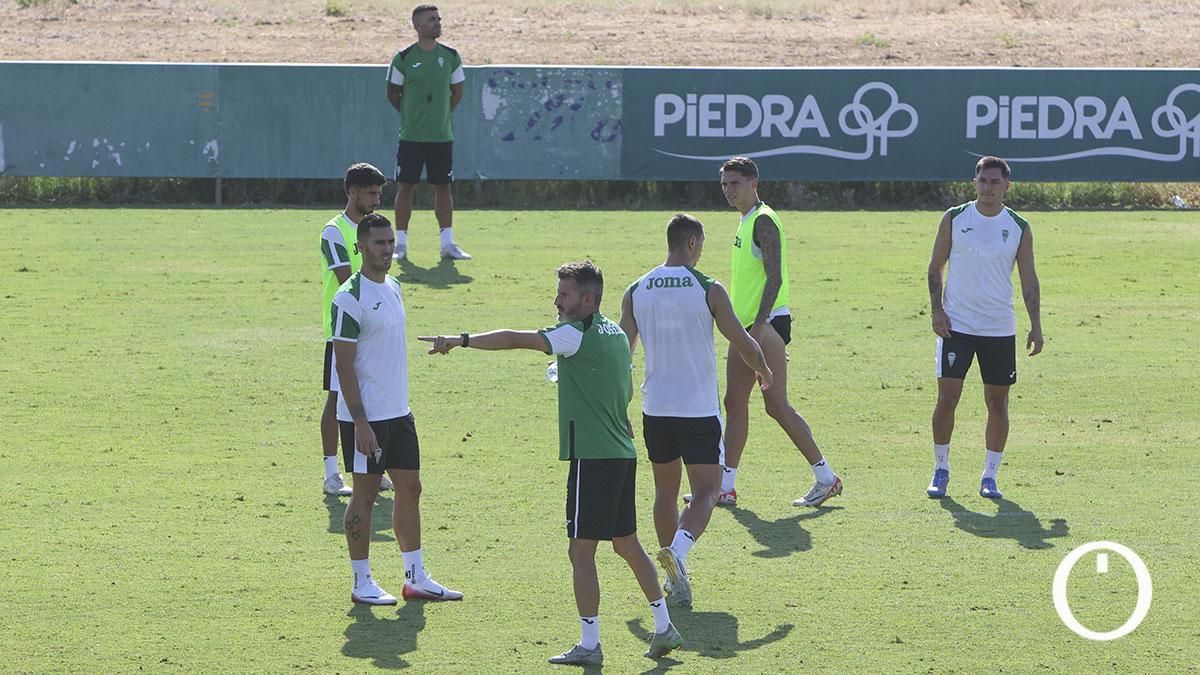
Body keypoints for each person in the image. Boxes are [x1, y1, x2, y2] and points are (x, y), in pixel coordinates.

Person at [419, 262, 683, 665]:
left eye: (564, 294)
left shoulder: (574, 335)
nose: (557, 301)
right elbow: (625, 389)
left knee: (581, 551)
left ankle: (590, 645)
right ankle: (664, 627)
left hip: (593, 459)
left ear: (588, 299)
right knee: (627, 544)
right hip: (620, 456)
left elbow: (514, 339)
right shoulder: (614, 334)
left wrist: (461, 340)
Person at [619, 214, 773, 608]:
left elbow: (622, 355)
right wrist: (763, 367)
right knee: (708, 491)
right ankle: (678, 553)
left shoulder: (636, 290)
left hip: (656, 408)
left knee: (665, 492)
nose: (701, 252)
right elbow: (742, 341)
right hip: (698, 410)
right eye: (701, 245)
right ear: (691, 243)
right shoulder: (709, 288)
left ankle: (675, 581)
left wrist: (618, 405)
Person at [331, 212, 461, 605]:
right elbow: (343, 365)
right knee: (365, 496)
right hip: (366, 418)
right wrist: (360, 422)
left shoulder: (395, 286)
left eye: (390, 242)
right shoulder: (348, 298)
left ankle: (415, 577)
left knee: (410, 489)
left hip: (399, 412)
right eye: (379, 243)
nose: (387, 249)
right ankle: (361, 582)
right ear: (361, 247)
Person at [716, 156, 843, 508]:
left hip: (764, 324)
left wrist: (758, 329)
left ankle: (826, 477)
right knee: (734, 402)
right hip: (747, 326)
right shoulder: (746, 220)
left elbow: (775, 278)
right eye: (724, 184)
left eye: (735, 183)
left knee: (776, 405)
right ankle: (725, 486)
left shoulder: (763, 221)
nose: (728, 190)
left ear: (753, 183)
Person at [925, 156, 1043, 500]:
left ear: (1007, 186)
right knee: (947, 398)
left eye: (994, 182)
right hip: (956, 326)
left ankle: (990, 475)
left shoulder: (1018, 226)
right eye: (982, 181)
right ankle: (941, 469)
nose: (987, 187)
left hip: (998, 328)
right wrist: (937, 310)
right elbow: (935, 267)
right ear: (974, 183)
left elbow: (1029, 280)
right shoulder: (955, 218)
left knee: (997, 402)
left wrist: (1036, 325)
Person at [319, 162, 392, 497]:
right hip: (343, 330)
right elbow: (346, 279)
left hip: (373, 328)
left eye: (379, 194)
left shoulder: (376, 230)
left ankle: (374, 466)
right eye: (371, 193)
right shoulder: (334, 231)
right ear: (352, 192)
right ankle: (331, 473)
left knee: (374, 393)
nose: (376, 200)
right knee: (337, 399)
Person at [385, 4, 470, 261]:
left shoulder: (451, 56)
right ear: (418, 26)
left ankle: (447, 244)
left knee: (443, 188)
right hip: (411, 137)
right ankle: (400, 245)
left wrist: (441, 115)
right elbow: (392, 93)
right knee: (406, 187)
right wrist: (411, 116)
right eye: (432, 19)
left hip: (441, 137)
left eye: (438, 18)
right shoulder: (403, 58)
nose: (438, 22)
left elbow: (457, 91)